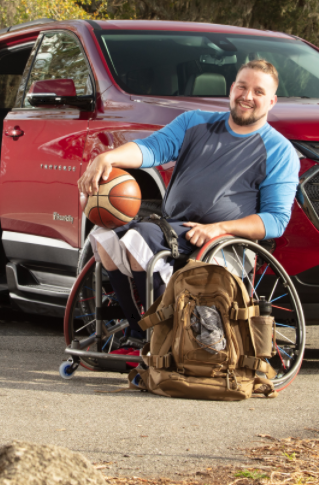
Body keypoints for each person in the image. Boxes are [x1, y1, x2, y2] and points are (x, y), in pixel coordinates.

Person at [77, 59, 299, 358]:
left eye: (258, 91)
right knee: (105, 236)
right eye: (242, 87)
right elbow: (152, 148)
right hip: (173, 228)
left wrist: (220, 229)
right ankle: (137, 333)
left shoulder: (278, 150)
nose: (247, 96)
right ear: (231, 89)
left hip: (223, 243)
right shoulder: (194, 122)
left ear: (271, 101)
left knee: (138, 238)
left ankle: (169, 333)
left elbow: (276, 220)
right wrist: (109, 158)